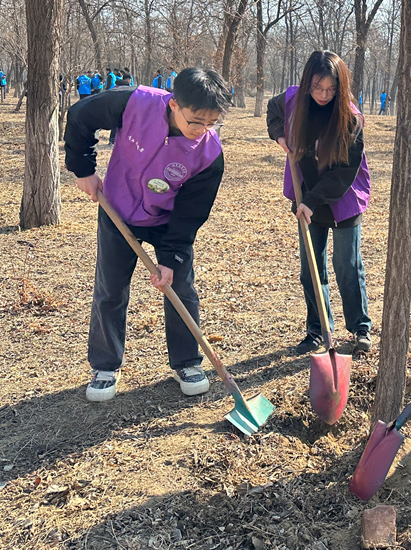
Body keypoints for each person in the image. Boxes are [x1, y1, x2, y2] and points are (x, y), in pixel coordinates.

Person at [64, 68, 232, 402]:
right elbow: (80, 115)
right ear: (174, 104)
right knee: (110, 287)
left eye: (211, 123)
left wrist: (171, 259)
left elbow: (190, 215)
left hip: (169, 220)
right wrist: (83, 169)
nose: (201, 131)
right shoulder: (133, 102)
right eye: (195, 121)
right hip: (118, 207)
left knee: (181, 287)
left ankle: (187, 362)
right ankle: (105, 365)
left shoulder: (209, 154)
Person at [267, 51, 372, 355]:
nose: (324, 95)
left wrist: (313, 201)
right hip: (306, 195)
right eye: (317, 88)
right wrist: (279, 136)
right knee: (311, 269)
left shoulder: (350, 118)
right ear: (307, 83)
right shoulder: (291, 100)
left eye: (331, 89)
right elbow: (273, 115)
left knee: (347, 266)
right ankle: (318, 329)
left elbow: (344, 173)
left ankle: (360, 327)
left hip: (342, 199)